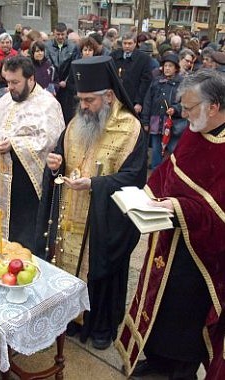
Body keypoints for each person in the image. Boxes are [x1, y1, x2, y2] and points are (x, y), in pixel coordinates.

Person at [117, 69, 225, 380]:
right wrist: (145, 196)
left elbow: (218, 213)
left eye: (189, 107)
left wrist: (178, 207)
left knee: (184, 317)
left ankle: (180, 370)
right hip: (169, 239)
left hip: (202, 259)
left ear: (214, 106)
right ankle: (156, 359)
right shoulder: (196, 128)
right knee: (160, 306)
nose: (183, 113)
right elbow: (171, 170)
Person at [35, 56, 148, 350]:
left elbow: (134, 178)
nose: (83, 106)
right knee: (67, 264)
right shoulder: (75, 123)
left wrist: (95, 185)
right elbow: (59, 158)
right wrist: (55, 164)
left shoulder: (131, 129)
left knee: (102, 270)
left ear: (108, 96)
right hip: (70, 213)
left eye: (89, 100)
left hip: (103, 220)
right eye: (80, 99)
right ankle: (72, 318)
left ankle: (100, 325)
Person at [0, 55, 65, 253]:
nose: (10, 87)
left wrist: (13, 144)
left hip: (26, 183)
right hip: (0, 178)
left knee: (24, 235)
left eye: (15, 82)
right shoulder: (6, 100)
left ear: (31, 79)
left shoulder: (48, 104)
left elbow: (49, 141)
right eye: (7, 82)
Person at [141, 54, 188, 169]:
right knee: (156, 148)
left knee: (173, 147)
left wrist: (176, 109)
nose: (167, 68)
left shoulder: (182, 83)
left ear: (176, 68)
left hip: (173, 123)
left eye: (170, 66)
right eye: (165, 65)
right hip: (156, 121)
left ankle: (175, 170)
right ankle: (156, 171)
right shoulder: (156, 81)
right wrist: (145, 121)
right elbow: (148, 101)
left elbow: (186, 102)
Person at [45, 22, 80, 125]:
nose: (60, 37)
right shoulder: (47, 46)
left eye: (62, 34)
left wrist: (66, 81)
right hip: (51, 85)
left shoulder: (73, 47)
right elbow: (47, 65)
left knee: (66, 113)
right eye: (58, 34)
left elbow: (74, 66)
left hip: (67, 87)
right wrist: (53, 81)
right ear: (54, 34)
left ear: (66, 34)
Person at [111, 32, 152, 115]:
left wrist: (139, 102)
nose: (127, 46)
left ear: (135, 43)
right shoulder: (113, 56)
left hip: (132, 99)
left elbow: (145, 82)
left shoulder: (143, 59)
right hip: (115, 99)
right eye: (125, 43)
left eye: (130, 43)